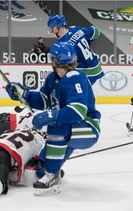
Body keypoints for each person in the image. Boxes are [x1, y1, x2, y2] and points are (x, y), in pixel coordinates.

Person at [6, 41, 101, 195]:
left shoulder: (75, 77)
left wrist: (51, 115)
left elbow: (78, 111)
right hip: (69, 127)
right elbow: (44, 100)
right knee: (41, 167)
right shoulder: (53, 78)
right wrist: (24, 95)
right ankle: (50, 170)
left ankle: (53, 176)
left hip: (88, 127)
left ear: (55, 60)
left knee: (56, 126)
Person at [47, 14, 104, 85]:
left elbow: (65, 65)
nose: (51, 32)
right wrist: (87, 44)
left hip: (86, 73)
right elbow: (96, 31)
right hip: (96, 66)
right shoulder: (75, 29)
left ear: (55, 28)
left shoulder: (62, 45)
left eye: (51, 29)